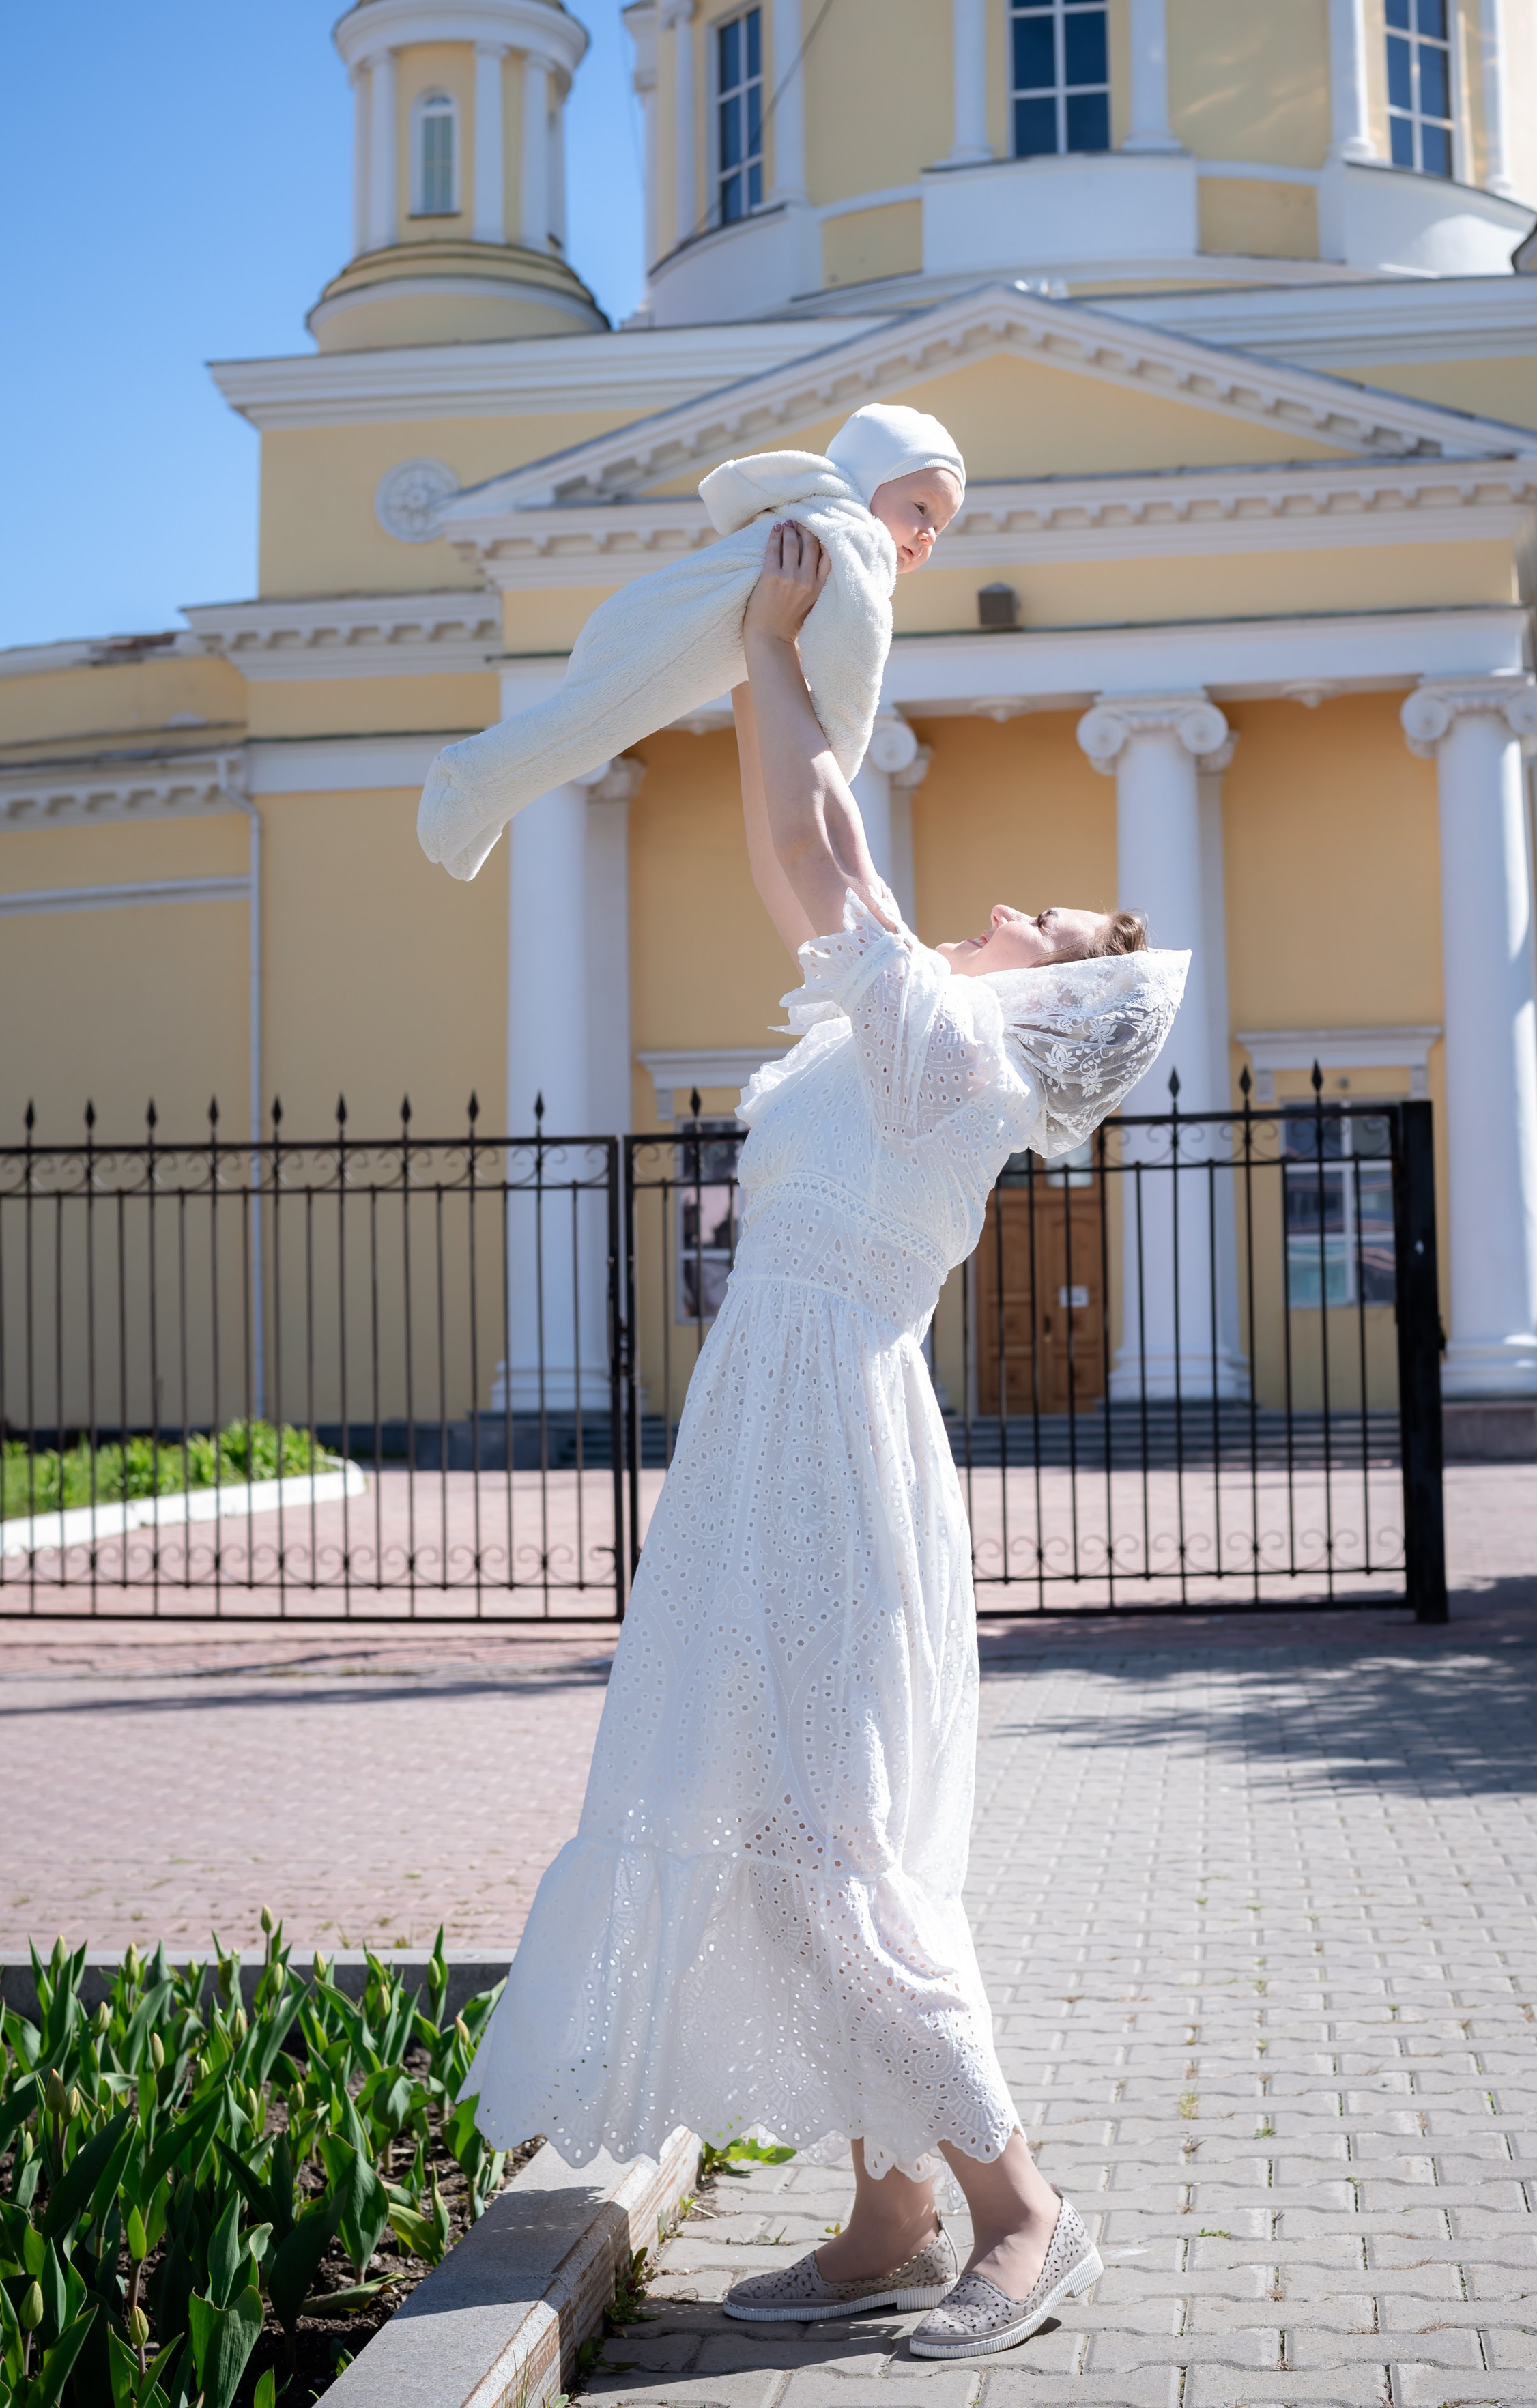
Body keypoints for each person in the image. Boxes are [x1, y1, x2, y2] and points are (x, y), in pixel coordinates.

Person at [464, 520, 1188, 2362]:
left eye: (1051, 917)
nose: (1016, 903)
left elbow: (818, 838)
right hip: (764, 1430)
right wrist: (751, 652)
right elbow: (796, 849)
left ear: (1054, 998)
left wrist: (773, 639)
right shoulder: (895, 1034)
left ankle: (1020, 2211)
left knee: (836, 1826)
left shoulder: (960, 1051)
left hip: (831, 1437)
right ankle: (886, 2206)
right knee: (771, 1812)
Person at [416, 401, 964, 880]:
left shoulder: (817, 517)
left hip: (641, 621)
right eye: (920, 507)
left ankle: (478, 808)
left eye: (940, 524)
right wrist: (834, 774)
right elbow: (853, 664)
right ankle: (467, 778)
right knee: (580, 731)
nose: (928, 533)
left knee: (579, 732)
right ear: (869, 481)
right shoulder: (853, 534)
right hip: (666, 640)